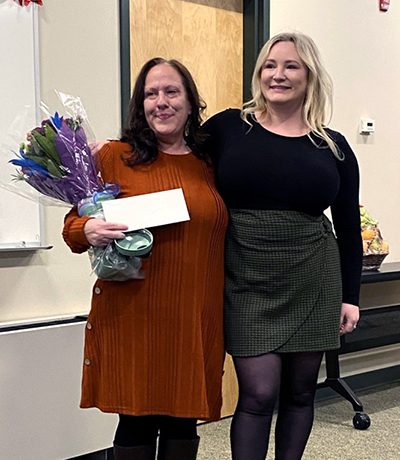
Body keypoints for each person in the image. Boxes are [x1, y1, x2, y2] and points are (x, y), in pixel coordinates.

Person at [203, 32, 363, 460]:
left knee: (299, 392)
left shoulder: (333, 146)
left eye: (291, 66)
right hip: (245, 275)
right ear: (259, 73)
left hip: (314, 273)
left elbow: (348, 227)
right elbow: (174, 158)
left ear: (309, 75)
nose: (279, 74)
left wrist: (351, 296)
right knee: (257, 393)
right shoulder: (227, 127)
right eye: (270, 65)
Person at [62, 58, 228, 460]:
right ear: (141, 105)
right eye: (151, 94)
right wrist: (87, 229)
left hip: (194, 315)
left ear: (190, 102)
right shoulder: (113, 157)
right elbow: (72, 227)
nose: (161, 102)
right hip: (133, 313)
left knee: (184, 419)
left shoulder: (211, 162)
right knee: (135, 419)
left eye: (172, 92)